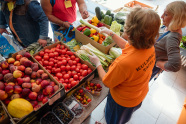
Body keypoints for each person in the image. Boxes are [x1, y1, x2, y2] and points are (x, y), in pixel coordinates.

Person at [88, 7, 160, 124]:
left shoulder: (123, 63)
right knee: (125, 116)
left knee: (113, 119)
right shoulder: (149, 48)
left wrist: (97, 63)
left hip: (121, 102)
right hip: (138, 94)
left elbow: (106, 81)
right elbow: (129, 47)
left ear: (128, 31)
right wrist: (112, 34)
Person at [150, 1, 186, 80]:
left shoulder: (172, 38)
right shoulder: (171, 28)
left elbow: (175, 65)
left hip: (149, 68)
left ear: (176, 19)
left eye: (166, 14)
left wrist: (157, 63)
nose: (161, 16)